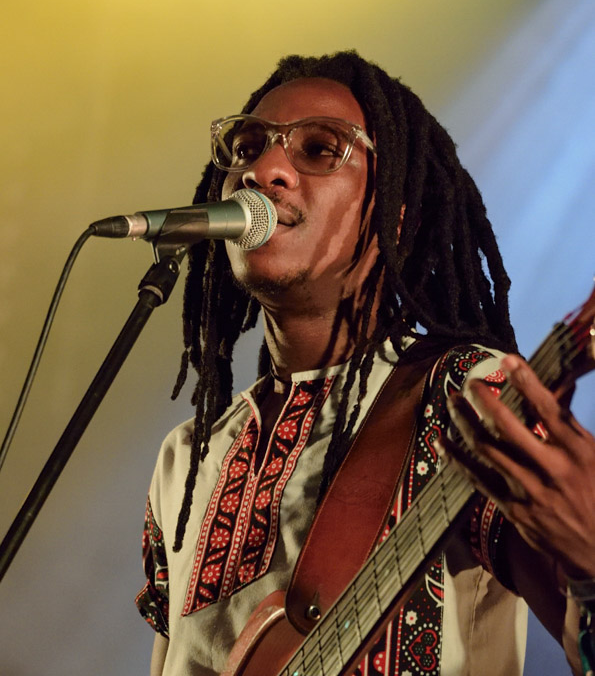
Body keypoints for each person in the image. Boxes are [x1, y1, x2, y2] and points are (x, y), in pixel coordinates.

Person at [135, 51, 595, 675]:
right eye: (247, 147)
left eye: (319, 149)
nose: (263, 170)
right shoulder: (185, 460)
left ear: (394, 218)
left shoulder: (467, 395)